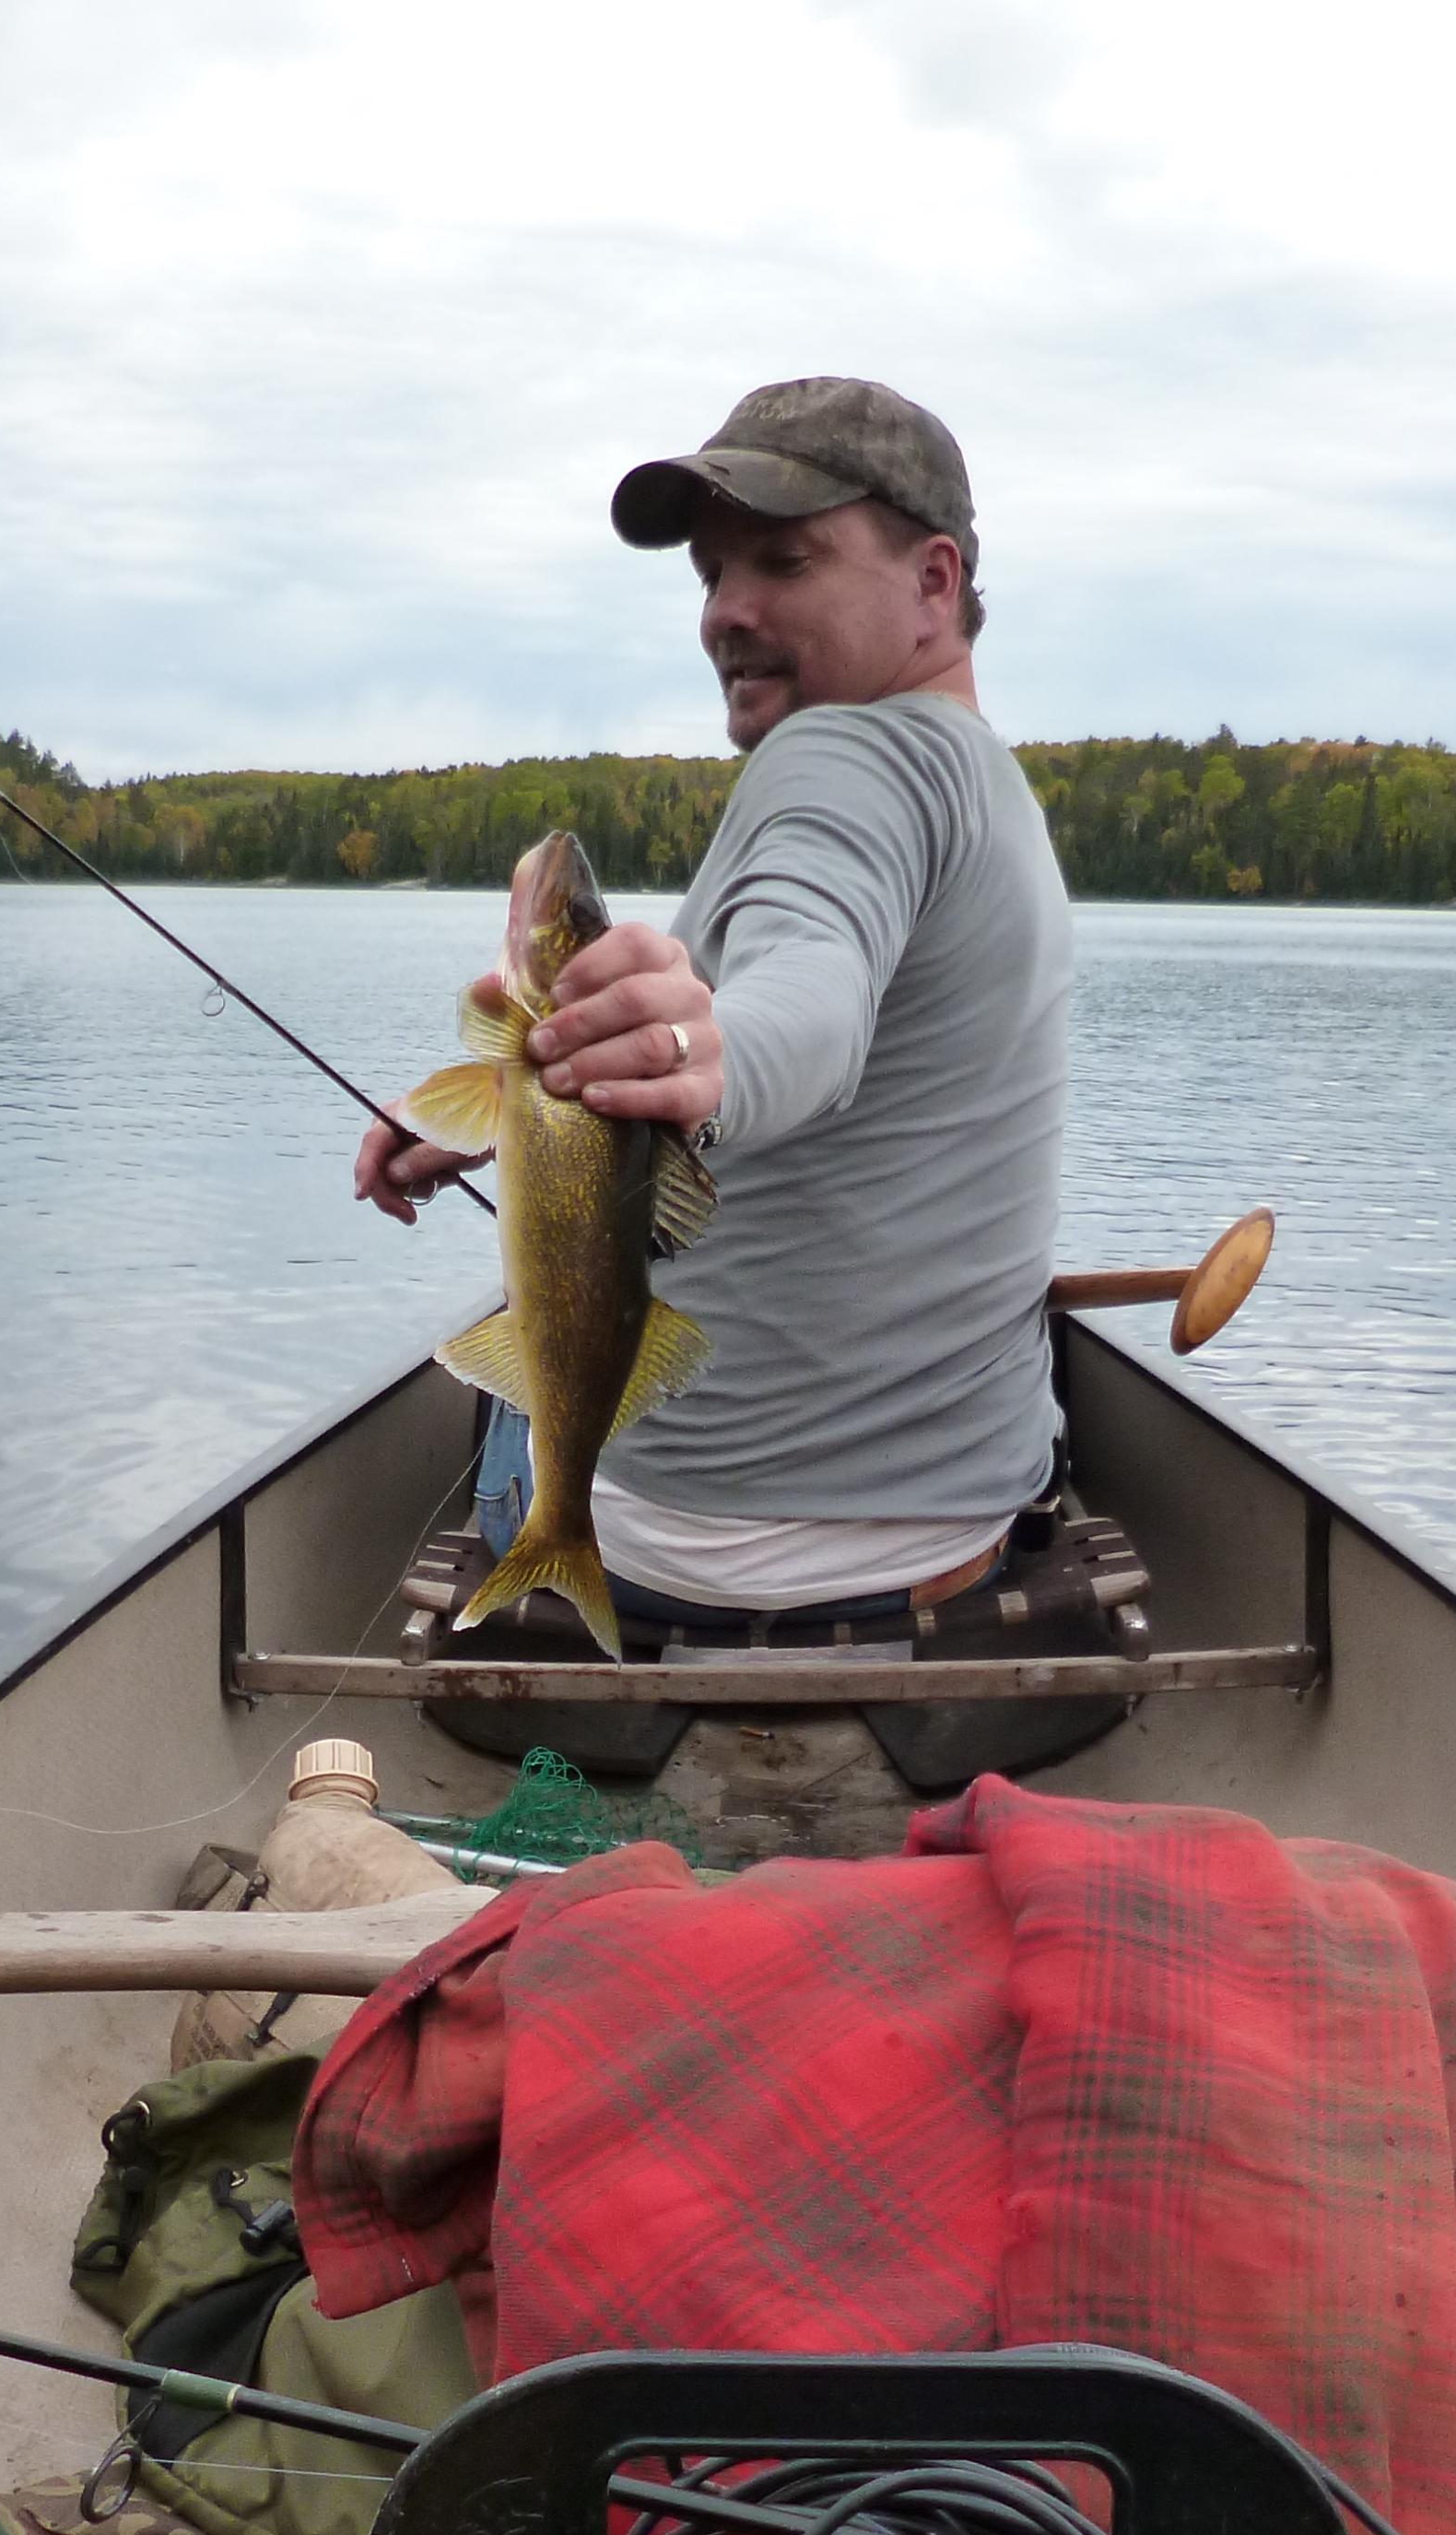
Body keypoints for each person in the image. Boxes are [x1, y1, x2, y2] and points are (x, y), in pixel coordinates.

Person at [354, 375, 1073, 1632]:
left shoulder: (841, 755)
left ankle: (550, 1553)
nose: (728, 615)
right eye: (710, 575)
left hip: (694, 1540)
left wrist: (707, 1046)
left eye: (787, 562)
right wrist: (499, 1116)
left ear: (936, 581)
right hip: (952, 1532)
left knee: (504, 1420)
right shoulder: (986, 788)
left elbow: (813, 999)